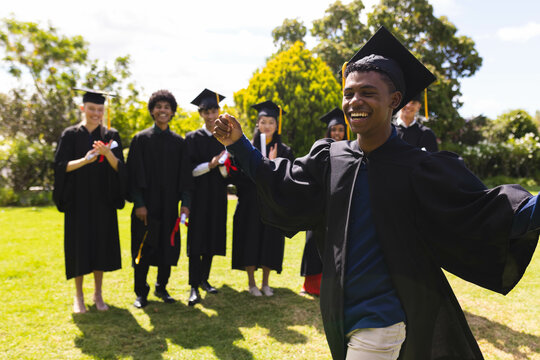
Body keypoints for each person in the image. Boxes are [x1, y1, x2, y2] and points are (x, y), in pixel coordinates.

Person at [213, 26, 539, 360]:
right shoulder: (331, 159)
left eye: (367, 92)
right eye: (349, 93)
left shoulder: (418, 168)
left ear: (394, 100)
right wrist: (238, 144)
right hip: (340, 313)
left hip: (382, 318)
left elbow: (484, 211)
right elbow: (279, 179)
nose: (355, 101)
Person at [53, 88, 125, 314]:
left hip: (102, 201)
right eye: (92, 109)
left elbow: (121, 168)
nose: (96, 113)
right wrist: (86, 160)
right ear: (83, 108)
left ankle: (98, 294)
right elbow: (60, 166)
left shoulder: (110, 136)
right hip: (78, 202)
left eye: (100, 110)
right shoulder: (70, 135)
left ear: (104, 111)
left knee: (100, 248)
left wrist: (107, 153)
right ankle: (79, 296)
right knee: (79, 248)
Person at [126, 90, 192, 308]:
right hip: (146, 206)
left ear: (172, 112)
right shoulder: (140, 140)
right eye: (159, 106)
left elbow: (185, 177)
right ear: (152, 111)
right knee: (143, 249)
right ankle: (140, 292)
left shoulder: (179, 144)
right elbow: (133, 174)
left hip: (169, 207)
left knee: (167, 248)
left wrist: (185, 205)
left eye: (167, 107)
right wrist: (139, 203)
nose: (163, 110)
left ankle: (161, 287)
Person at [231, 100, 294, 296]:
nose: (267, 126)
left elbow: (288, 179)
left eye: (271, 122)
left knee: (270, 241)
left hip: (271, 204)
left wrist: (274, 165)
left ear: (277, 126)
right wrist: (265, 166)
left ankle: (266, 283)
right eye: (263, 122)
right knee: (250, 240)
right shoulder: (246, 148)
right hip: (250, 203)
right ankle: (251, 283)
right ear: (257, 124)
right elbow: (237, 177)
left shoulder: (284, 151)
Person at [184, 88, 229, 306]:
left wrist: (223, 166)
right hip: (198, 196)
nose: (211, 116)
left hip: (218, 195)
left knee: (211, 238)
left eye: (214, 111)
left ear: (219, 111)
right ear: (201, 114)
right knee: (197, 240)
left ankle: (204, 279)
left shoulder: (226, 137)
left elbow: (231, 173)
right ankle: (193, 285)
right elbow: (189, 170)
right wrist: (211, 165)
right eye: (206, 112)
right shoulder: (193, 138)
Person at [301, 107, 348, 296]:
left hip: (341, 205)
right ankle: (311, 285)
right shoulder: (320, 149)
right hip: (319, 204)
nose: (337, 133)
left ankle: (336, 287)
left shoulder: (352, 149)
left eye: (340, 130)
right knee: (313, 243)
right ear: (328, 131)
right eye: (333, 130)